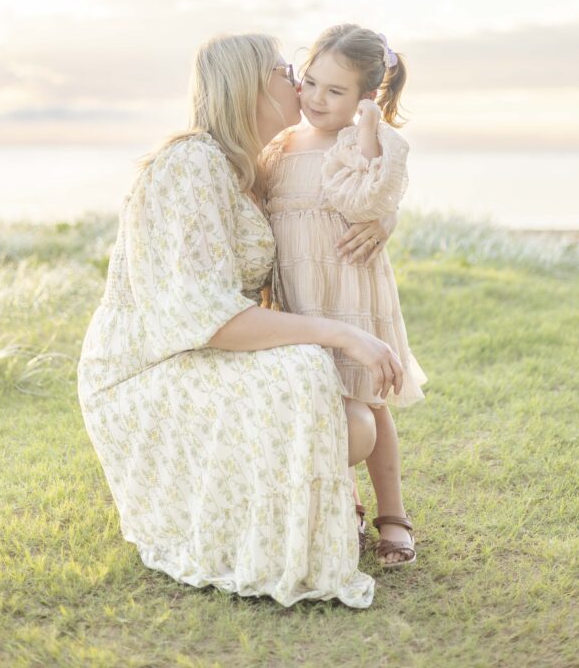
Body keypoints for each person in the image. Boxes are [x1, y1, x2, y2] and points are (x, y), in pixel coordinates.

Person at [77, 33, 405, 609]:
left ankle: (333, 516)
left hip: (202, 352)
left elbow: (345, 198)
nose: (298, 83)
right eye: (284, 71)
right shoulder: (193, 162)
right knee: (326, 391)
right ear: (248, 86)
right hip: (153, 368)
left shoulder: (247, 167)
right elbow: (210, 318)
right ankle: (289, 524)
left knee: (351, 413)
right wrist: (342, 333)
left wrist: (385, 221)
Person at [260, 24, 428, 567]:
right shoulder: (281, 144)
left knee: (367, 400)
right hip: (300, 294)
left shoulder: (360, 142)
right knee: (324, 403)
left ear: (366, 98)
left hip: (350, 287)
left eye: (335, 92)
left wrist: (387, 212)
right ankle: (347, 505)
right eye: (309, 83)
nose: (314, 99)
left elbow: (374, 195)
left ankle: (393, 514)